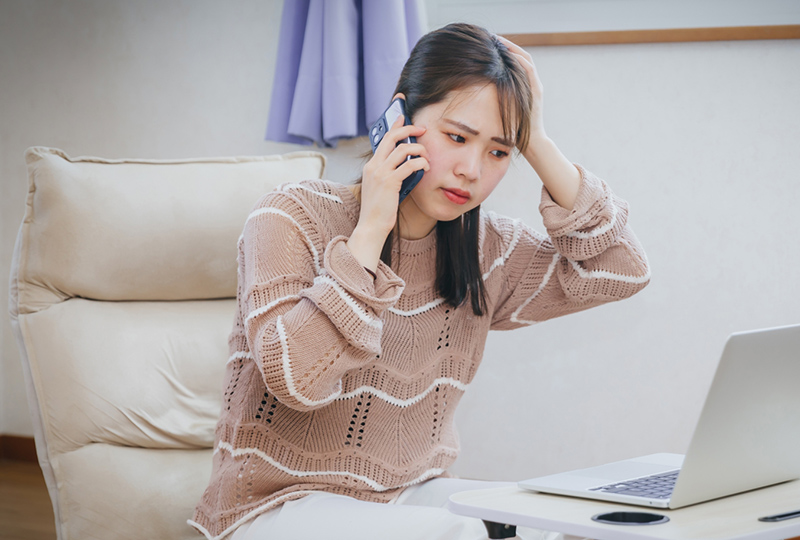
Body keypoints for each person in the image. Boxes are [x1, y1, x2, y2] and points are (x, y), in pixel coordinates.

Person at [190, 23, 650, 540]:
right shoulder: (290, 215)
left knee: (547, 527)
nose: (472, 170)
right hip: (272, 510)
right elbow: (296, 380)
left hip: (407, 498)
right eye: (457, 137)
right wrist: (371, 230)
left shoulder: (488, 253)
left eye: (499, 152)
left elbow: (621, 270)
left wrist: (536, 140)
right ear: (399, 119)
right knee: (462, 535)